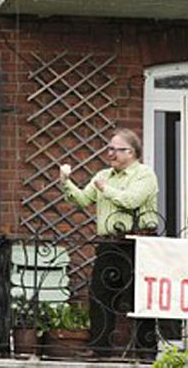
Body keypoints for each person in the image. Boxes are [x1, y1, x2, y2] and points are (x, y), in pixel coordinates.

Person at [59, 128, 159, 359]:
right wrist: (66, 182)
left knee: (139, 297)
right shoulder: (105, 175)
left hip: (137, 243)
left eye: (117, 149)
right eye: (109, 148)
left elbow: (132, 200)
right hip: (109, 244)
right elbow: (83, 200)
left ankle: (146, 352)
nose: (111, 153)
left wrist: (105, 188)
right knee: (100, 295)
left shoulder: (144, 174)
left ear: (132, 152)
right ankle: (100, 349)